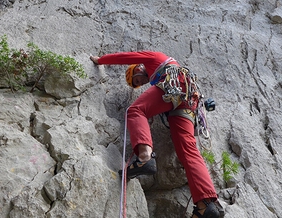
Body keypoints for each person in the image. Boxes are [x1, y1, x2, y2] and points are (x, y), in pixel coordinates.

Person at [90, 51, 221, 218]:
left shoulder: (154, 58)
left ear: (138, 68)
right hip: (187, 98)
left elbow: (128, 56)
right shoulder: (157, 76)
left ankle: (145, 157)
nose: (142, 82)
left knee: (136, 110)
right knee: (187, 150)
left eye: (137, 79)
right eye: (138, 83)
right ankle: (206, 203)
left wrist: (100, 60)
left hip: (174, 83)